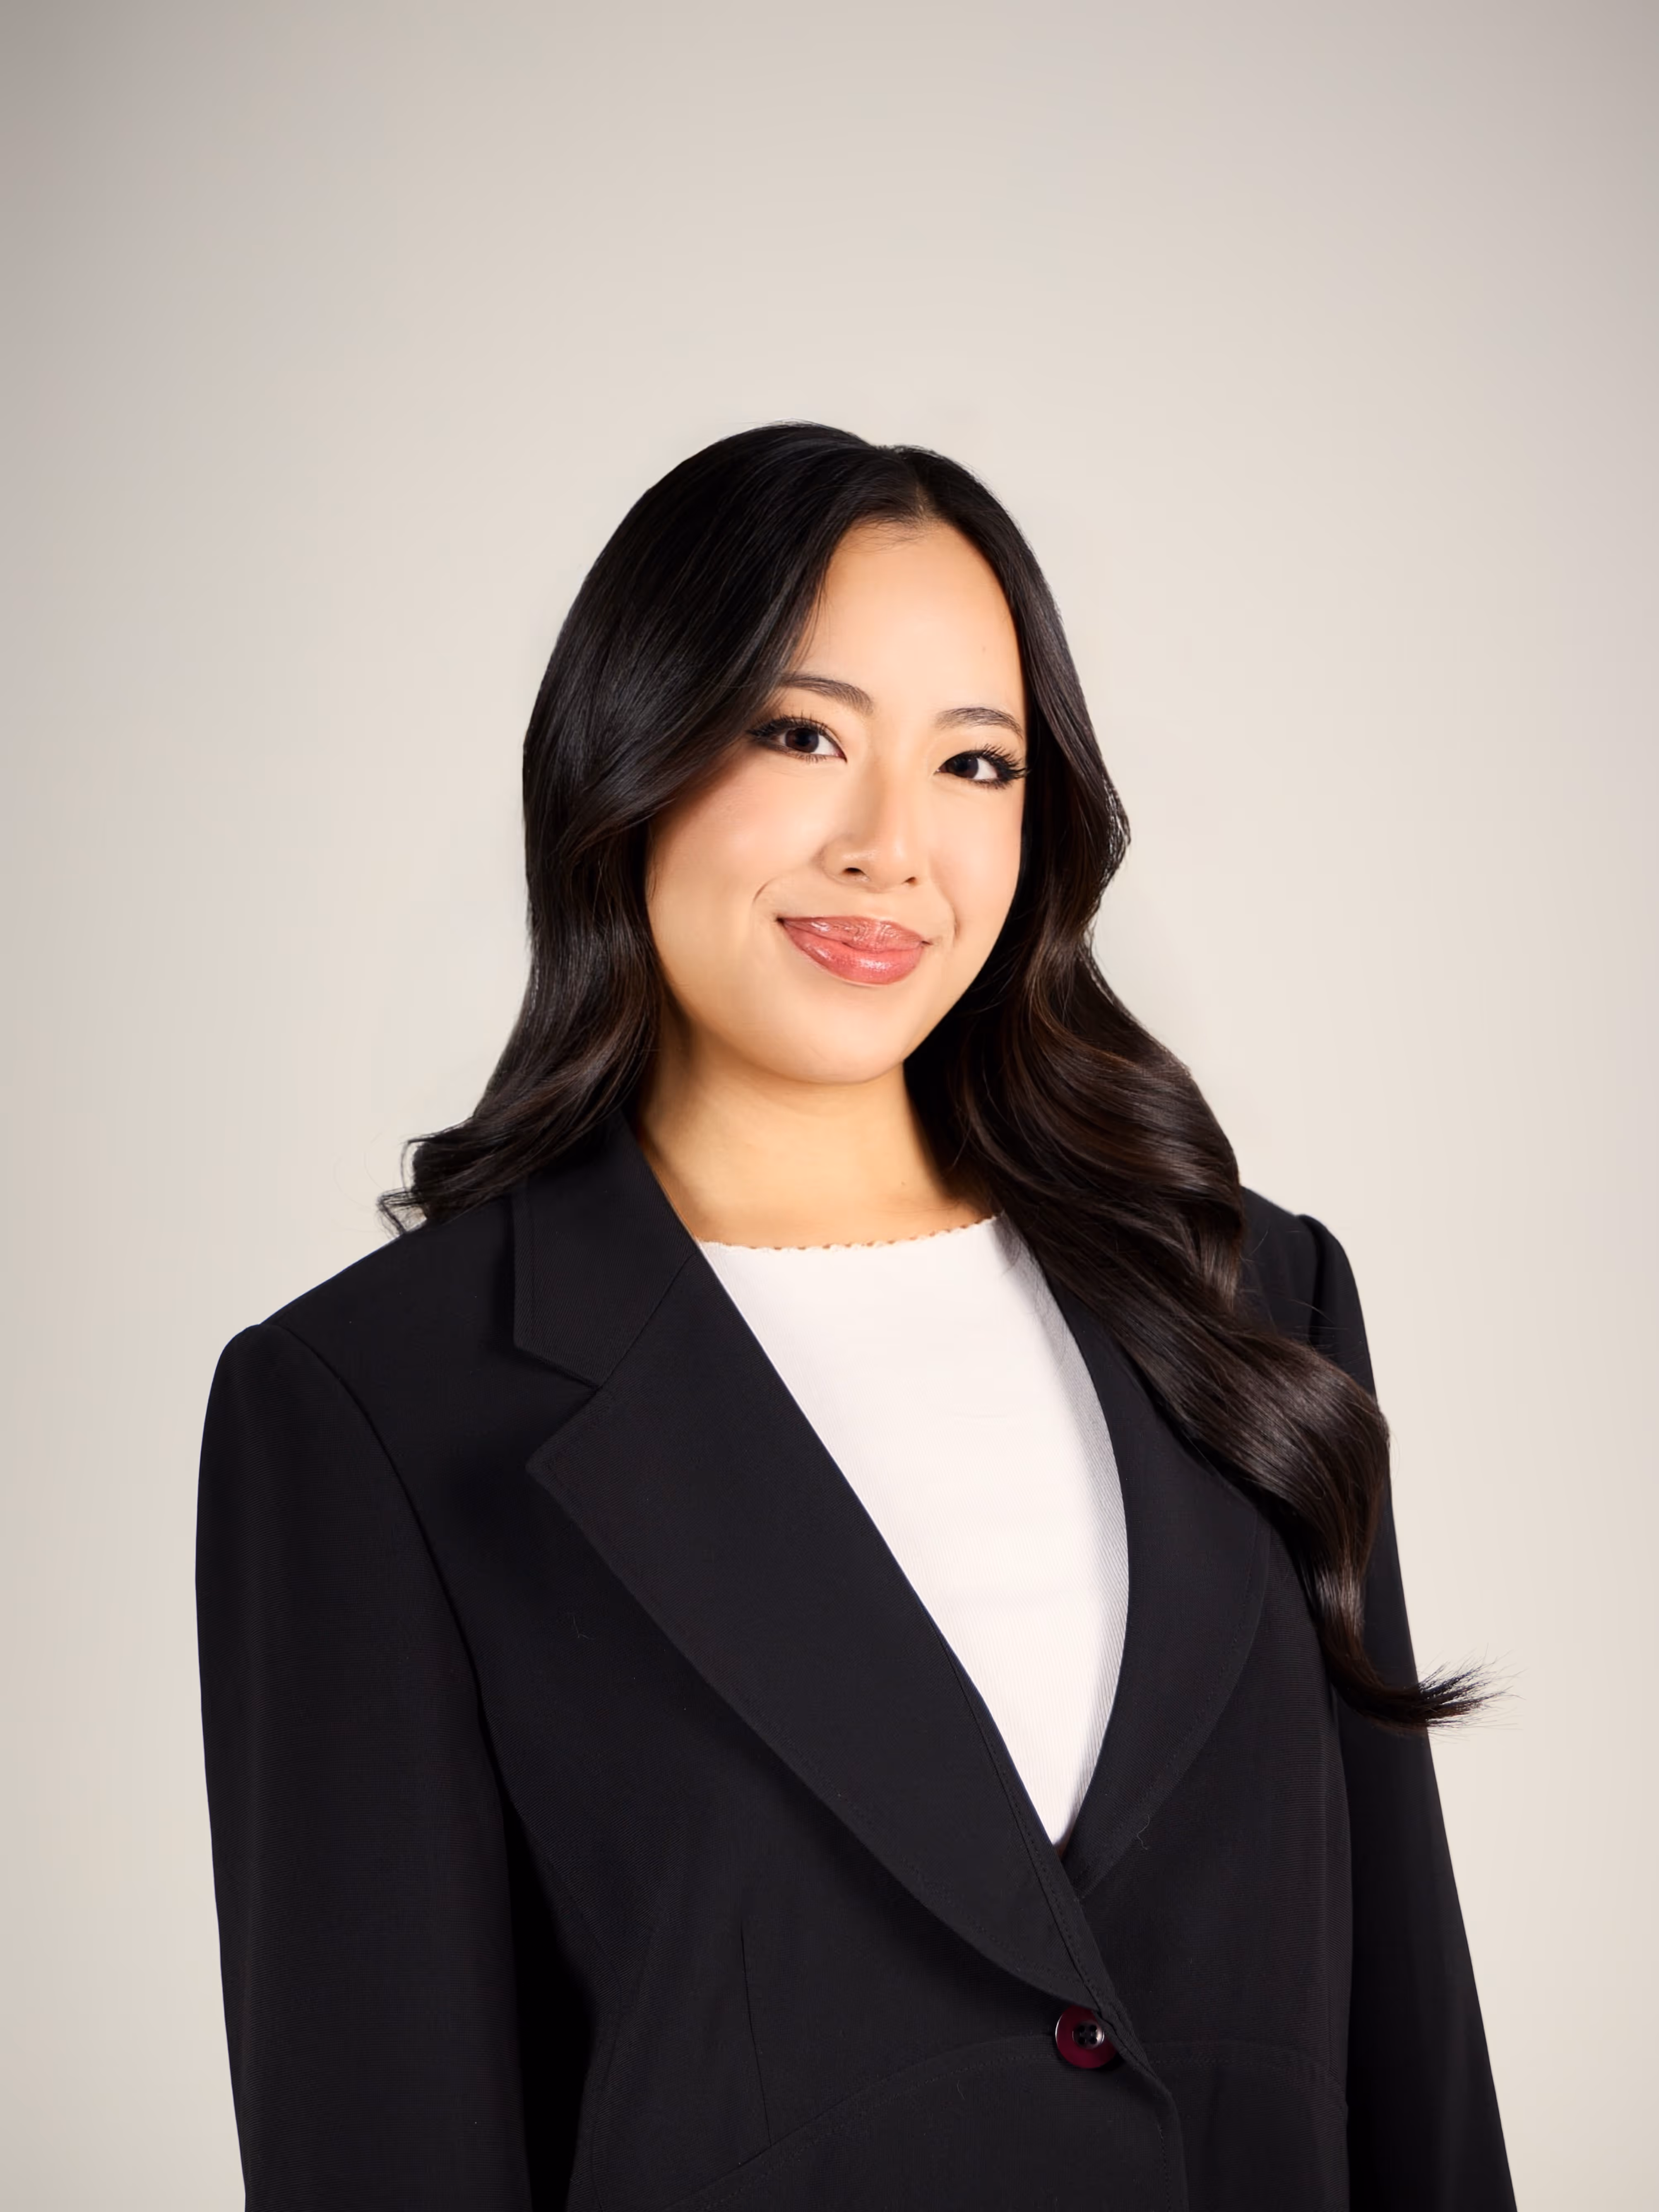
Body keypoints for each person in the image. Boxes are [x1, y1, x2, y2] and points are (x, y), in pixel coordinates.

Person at [196, 424, 1513, 2211]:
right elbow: (383, 2140)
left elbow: (1414, 2059)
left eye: (976, 763)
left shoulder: (1252, 1300)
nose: (894, 848)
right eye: (801, 735)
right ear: (629, 757)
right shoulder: (379, 1407)